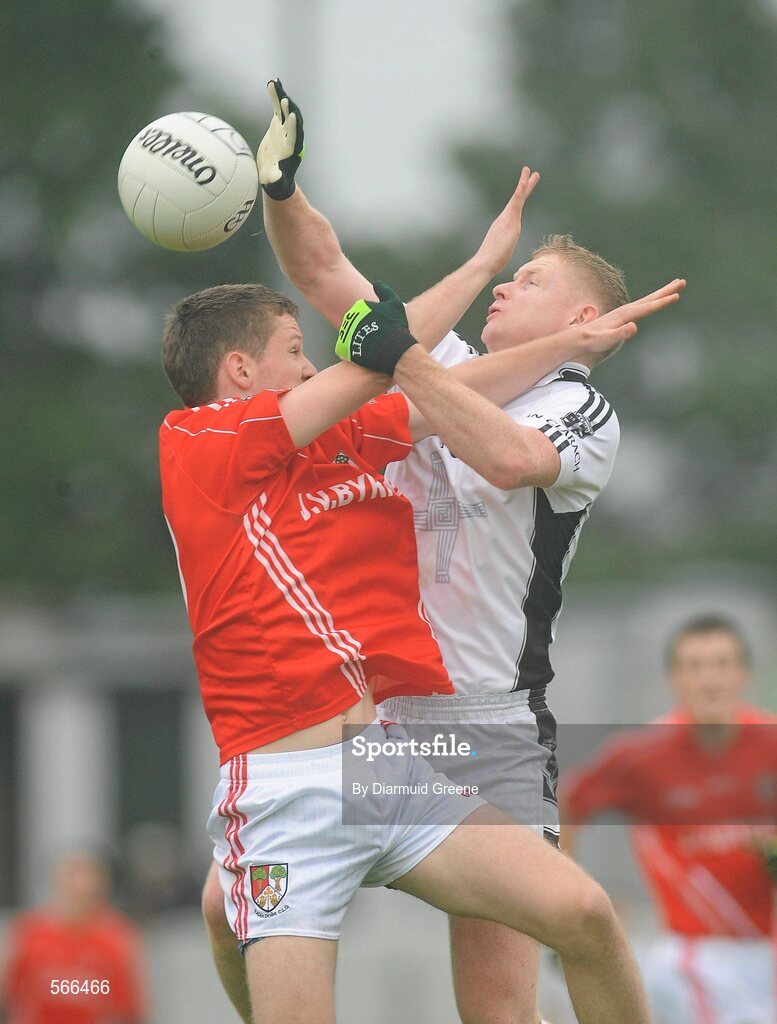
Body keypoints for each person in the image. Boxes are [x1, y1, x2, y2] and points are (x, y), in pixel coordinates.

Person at [189, 81, 683, 1024]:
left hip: (483, 725)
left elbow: (504, 454)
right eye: (509, 275)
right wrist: (283, 191)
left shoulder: (577, 408)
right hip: (369, 723)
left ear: (584, 323)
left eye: (530, 282)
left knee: (496, 1006)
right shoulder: (454, 367)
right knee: (222, 908)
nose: (504, 285)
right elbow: (326, 271)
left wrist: (399, 354)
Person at [559, 615, 777, 1024]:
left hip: (772, 951)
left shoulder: (774, 743)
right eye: (694, 667)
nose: (710, 680)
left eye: (722, 664)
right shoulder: (643, 756)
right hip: (695, 959)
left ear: (745, 674)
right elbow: (565, 804)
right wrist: (575, 902)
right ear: (673, 679)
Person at [0, 851, 148, 1024]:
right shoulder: (29, 932)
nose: (80, 889)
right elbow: (9, 997)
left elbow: (129, 1010)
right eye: (72, 880)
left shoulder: (117, 938)